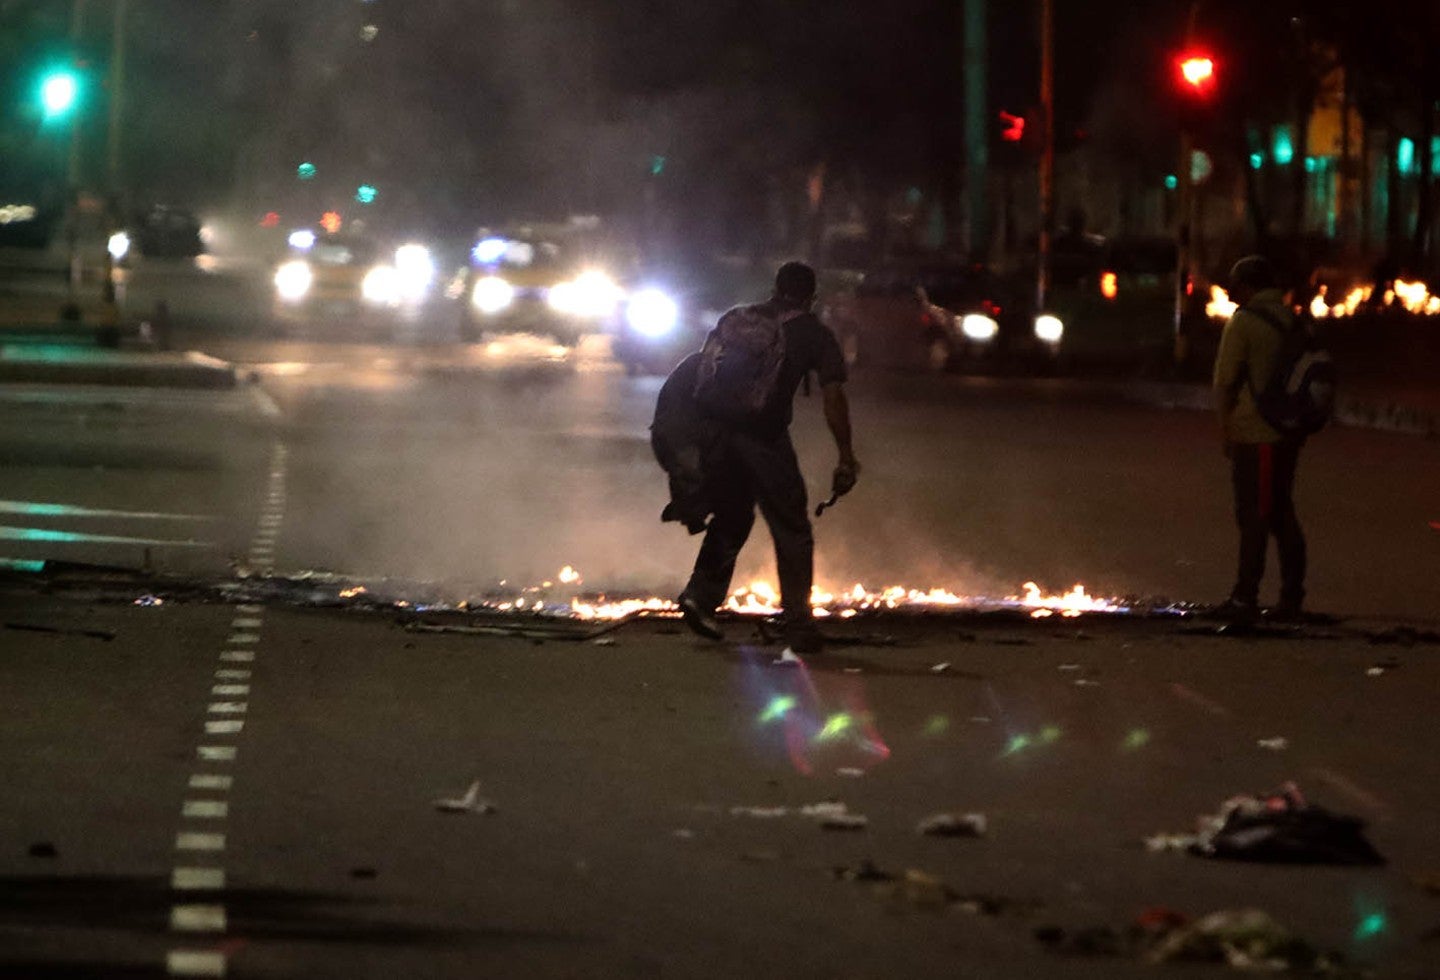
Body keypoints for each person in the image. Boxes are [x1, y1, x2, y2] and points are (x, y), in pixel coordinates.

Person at [676, 261, 858, 652]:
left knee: (733, 514)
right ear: (812, 295)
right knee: (792, 526)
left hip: (716, 431)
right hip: (763, 437)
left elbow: (699, 373)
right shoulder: (813, 333)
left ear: (775, 288)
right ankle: (798, 623)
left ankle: (700, 596)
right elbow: (833, 396)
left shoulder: (741, 318)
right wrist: (845, 455)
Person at [1212, 255, 1307, 619]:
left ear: (1247, 287)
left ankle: (1246, 595)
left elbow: (1224, 383)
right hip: (1288, 431)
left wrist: (1226, 430)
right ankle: (1291, 594)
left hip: (1256, 434)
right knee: (1281, 510)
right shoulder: (1291, 318)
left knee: (1256, 514)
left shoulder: (1245, 322)